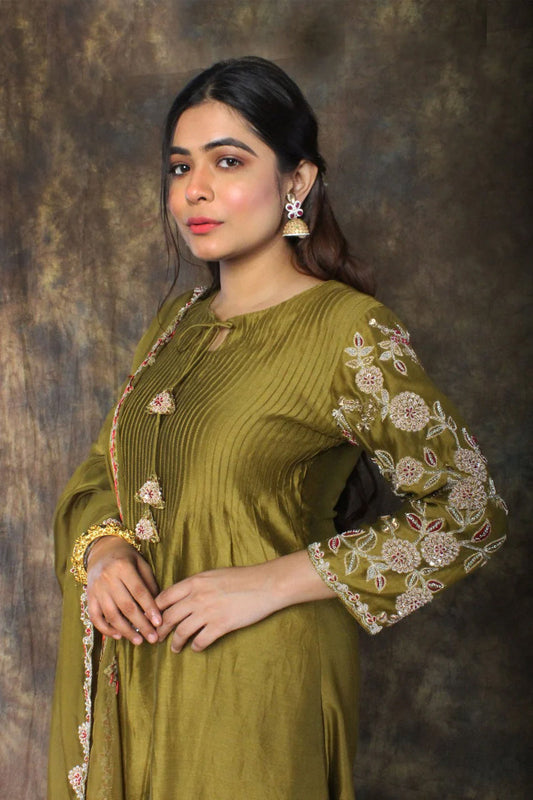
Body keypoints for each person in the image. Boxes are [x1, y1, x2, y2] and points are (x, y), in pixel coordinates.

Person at [48, 56, 508, 800]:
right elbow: (105, 472)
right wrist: (102, 553)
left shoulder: (348, 331)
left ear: (296, 182)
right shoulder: (175, 327)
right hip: (134, 673)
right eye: (179, 166)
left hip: (254, 687)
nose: (193, 189)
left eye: (227, 161)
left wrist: (272, 582)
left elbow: (468, 513)